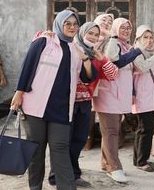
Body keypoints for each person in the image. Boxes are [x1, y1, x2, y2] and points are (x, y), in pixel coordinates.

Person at [10, 10, 97, 190]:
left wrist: (86, 59)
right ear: (59, 24)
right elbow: (28, 67)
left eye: (75, 24)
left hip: (62, 109)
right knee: (36, 149)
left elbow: (88, 78)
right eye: (68, 24)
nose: (72, 27)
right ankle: (35, 187)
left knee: (60, 149)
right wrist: (19, 93)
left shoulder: (75, 49)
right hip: (36, 106)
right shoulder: (43, 41)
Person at [49, 22, 118, 187]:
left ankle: (73, 173)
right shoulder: (70, 48)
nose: (93, 37)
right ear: (81, 33)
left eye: (96, 35)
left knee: (79, 140)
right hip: (65, 103)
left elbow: (113, 75)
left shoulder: (94, 55)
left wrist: (104, 58)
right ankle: (56, 175)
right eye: (90, 34)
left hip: (85, 103)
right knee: (63, 140)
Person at [96, 18, 142, 183]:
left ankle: (105, 163)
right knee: (112, 132)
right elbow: (115, 63)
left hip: (119, 96)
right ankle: (114, 167)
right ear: (116, 29)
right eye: (122, 27)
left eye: (129, 27)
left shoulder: (126, 46)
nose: (126, 30)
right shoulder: (113, 43)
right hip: (109, 95)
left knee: (109, 131)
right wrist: (136, 52)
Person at [131, 25, 154, 172]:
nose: (149, 40)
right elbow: (142, 67)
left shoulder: (150, 52)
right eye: (145, 37)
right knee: (145, 128)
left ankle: (140, 159)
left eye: (151, 37)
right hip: (142, 95)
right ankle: (141, 161)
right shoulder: (136, 52)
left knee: (145, 128)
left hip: (150, 95)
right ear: (138, 38)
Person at [84, 12, 115, 151]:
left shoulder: (111, 41)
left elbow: (111, 65)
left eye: (110, 22)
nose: (106, 22)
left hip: (103, 83)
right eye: (104, 19)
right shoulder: (85, 39)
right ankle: (87, 142)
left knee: (100, 115)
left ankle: (94, 141)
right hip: (85, 84)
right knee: (87, 114)